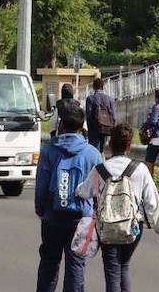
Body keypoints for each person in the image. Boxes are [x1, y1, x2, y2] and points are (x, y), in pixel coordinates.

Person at [76, 123, 159, 292]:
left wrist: (77, 188)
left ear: (110, 144)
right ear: (129, 146)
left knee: (112, 271)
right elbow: (152, 204)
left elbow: (84, 192)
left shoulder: (100, 169)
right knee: (124, 266)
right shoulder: (140, 169)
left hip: (107, 226)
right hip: (132, 227)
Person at [35, 103, 101, 292]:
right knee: (76, 265)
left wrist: (40, 210)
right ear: (82, 127)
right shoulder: (92, 154)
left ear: (61, 124)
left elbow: (41, 184)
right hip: (82, 218)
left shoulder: (48, 150)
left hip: (52, 216)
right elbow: (98, 191)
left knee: (49, 262)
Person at [85, 78, 116, 154]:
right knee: (102, 151)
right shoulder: (110, 99)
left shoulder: (90, 99)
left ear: (93, 87)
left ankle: (96, 165)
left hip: (94, 129)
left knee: (93, 151)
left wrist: (88, 131)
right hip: (106, 128)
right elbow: (113, 116)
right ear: (103, 87)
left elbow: (88, 116)